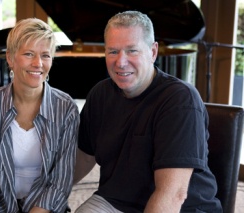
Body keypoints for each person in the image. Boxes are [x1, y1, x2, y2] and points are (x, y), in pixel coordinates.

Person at [73, 10, 223, 213]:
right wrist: (46, 196)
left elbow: (173, 194)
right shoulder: (100, 94)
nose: (121, 62)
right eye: (113, 51)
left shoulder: (179, 100)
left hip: (181, 207)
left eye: (132, 51)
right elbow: (83, 157)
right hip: (115, 201)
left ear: (153, 52)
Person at [0, 18, 80, 213]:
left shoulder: (66, 108)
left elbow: (60, 181)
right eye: (28, 54)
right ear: (10, 58)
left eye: (45, 55)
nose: (38, 63)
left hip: (44, 208)